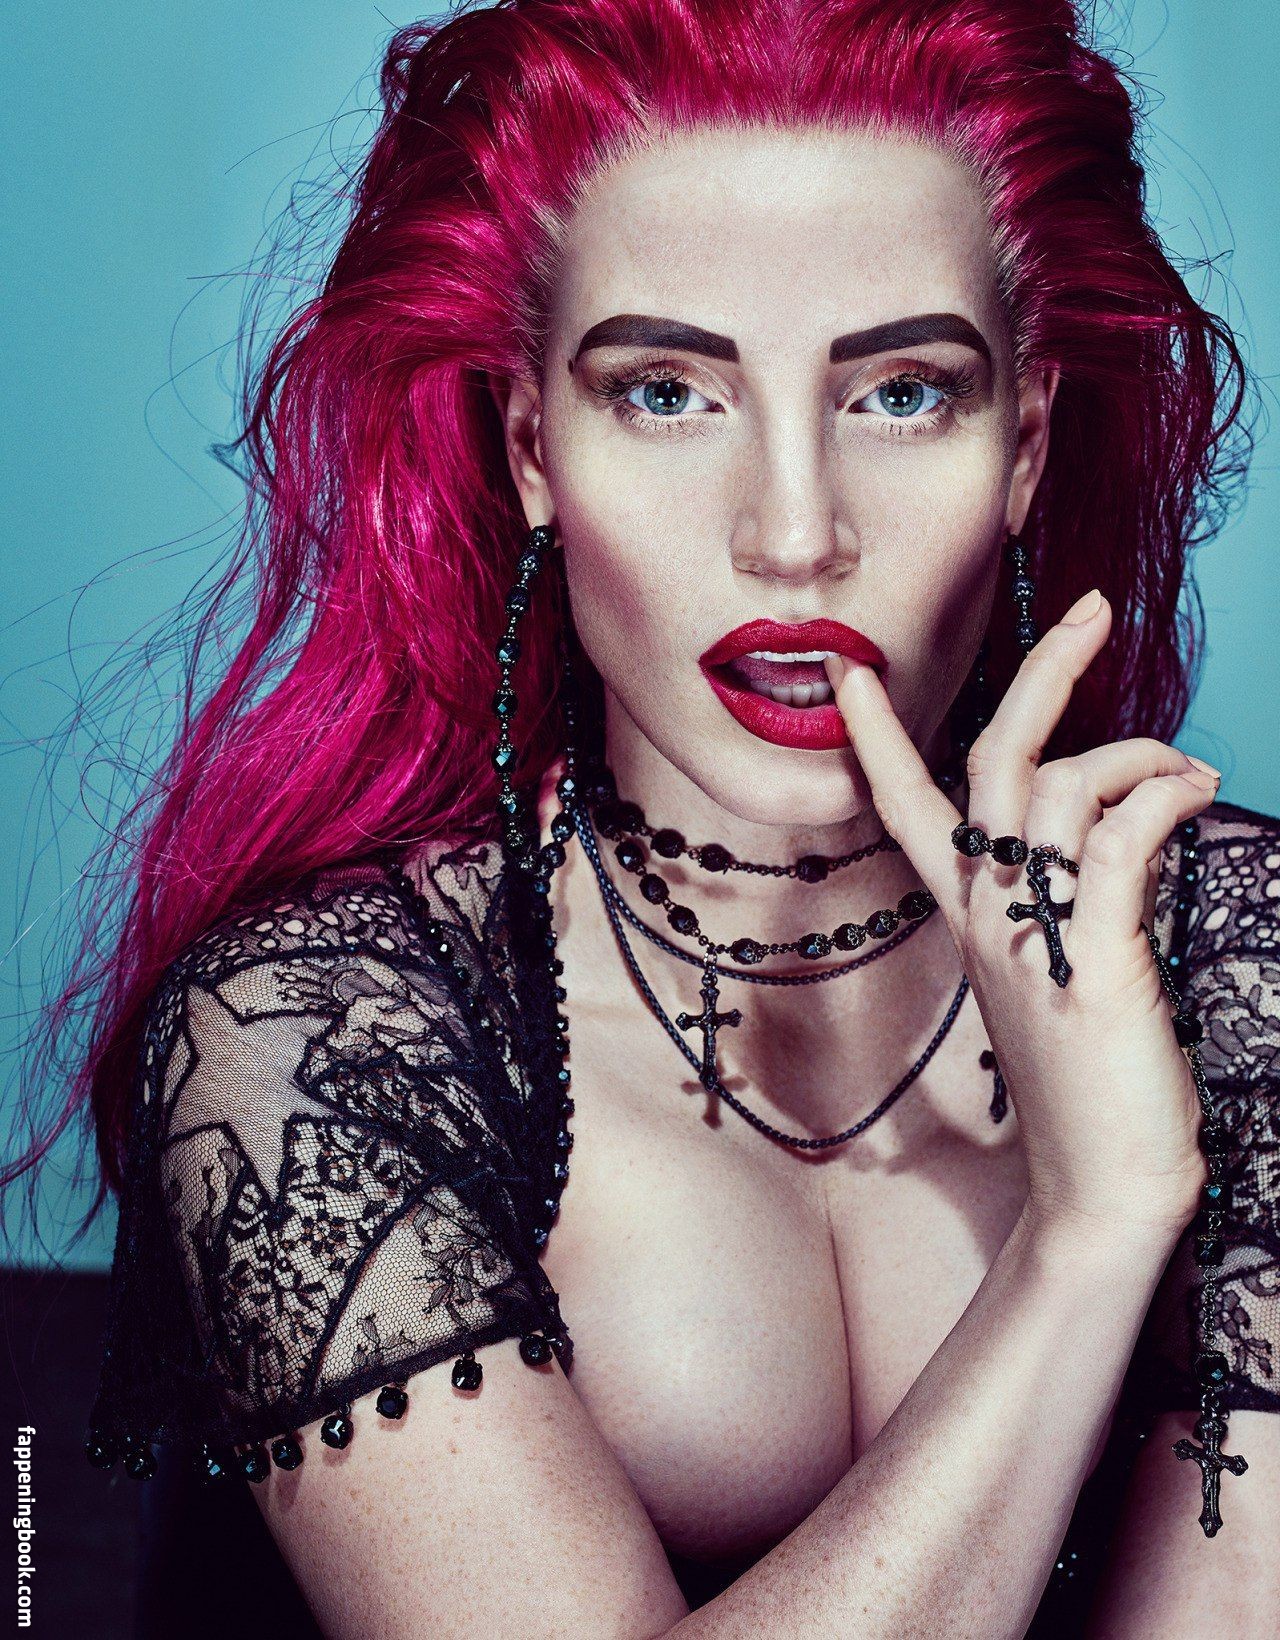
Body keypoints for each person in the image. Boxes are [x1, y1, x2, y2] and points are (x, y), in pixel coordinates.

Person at [34, 0, 1278, 1633]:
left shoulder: (1236, 965)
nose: (795, 535)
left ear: (1025, 446)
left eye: (904, 393)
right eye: (669, 393)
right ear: (531, 446)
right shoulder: (304, 1037)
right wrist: (1092, 1226)